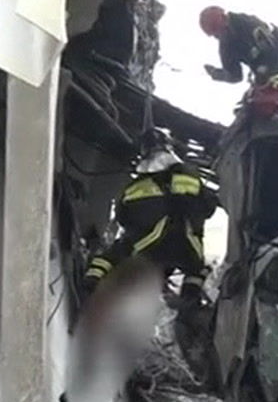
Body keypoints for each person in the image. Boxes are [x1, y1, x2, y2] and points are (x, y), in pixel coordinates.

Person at [81, 128, 219, 309]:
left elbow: (122, 216)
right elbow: (209, 207)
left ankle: (91, 284)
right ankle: (189, 298)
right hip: (188, 244)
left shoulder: (136, 183)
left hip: (148, 244)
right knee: (198, 268)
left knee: (112, 255)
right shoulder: (189, 173)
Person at [199, 6, 278, 89]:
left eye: (219, 26)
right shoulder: (226, 47)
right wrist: (216, 73)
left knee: (268, 90)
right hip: (267, 70)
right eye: (215, 32)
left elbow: (270, 43)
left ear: (225, 17)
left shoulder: (247, 22)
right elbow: (235, 75)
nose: (220, 33)